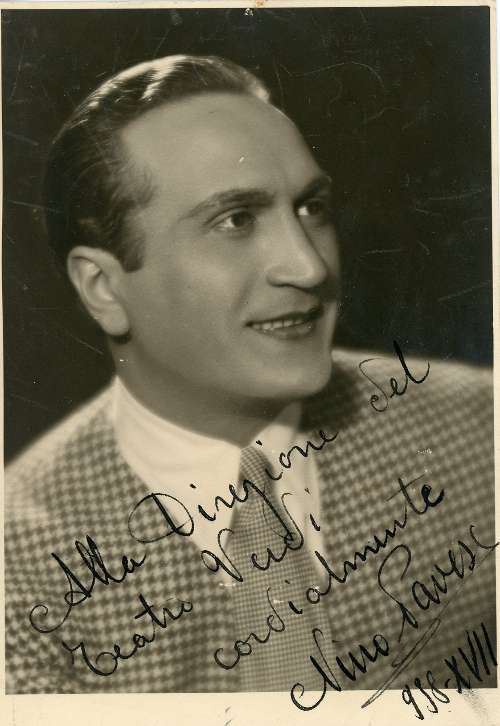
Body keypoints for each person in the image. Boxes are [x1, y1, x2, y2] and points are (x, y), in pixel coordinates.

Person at [4, 55, 496, 704]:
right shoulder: (18, 567)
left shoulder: (480, 434)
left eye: (311, 208)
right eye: (236, 220)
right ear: (103, 287)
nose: (308, 266)